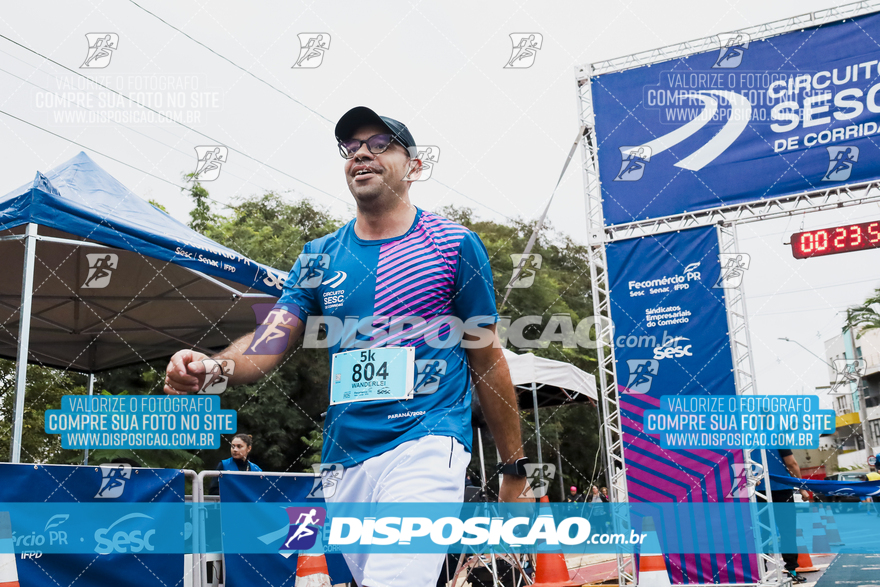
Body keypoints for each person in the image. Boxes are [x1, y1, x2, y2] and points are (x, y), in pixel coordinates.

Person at [164, 106, 529, 587]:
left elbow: (486, 358)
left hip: (428, 440)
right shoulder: (319, 256)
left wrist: (514, 467)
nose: (361, 153)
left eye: (380, 144)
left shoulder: (454, 244)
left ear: (414, 166)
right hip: (346, 460)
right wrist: (213, 368)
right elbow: (267, 341)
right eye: (352, 146)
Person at [757, 448, 810, 583]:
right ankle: (792, 571)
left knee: (760, 531)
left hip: (756, 491)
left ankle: (759, 571)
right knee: (787, 531)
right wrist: (802, 489)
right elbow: (791, 464)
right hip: (782, 489)